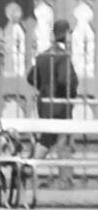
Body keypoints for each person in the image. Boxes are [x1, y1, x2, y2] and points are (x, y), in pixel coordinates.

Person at [28, 19, 80, 159]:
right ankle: (62, 177)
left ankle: (31, 166)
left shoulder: (42, 56)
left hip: (44, 105)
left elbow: (30, 77)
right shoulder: (63, 56)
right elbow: (64, 81)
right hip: (60, 105)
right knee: (63, 140)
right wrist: (72, 89)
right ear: (66, 34)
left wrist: (44, 87)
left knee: (47, 140)